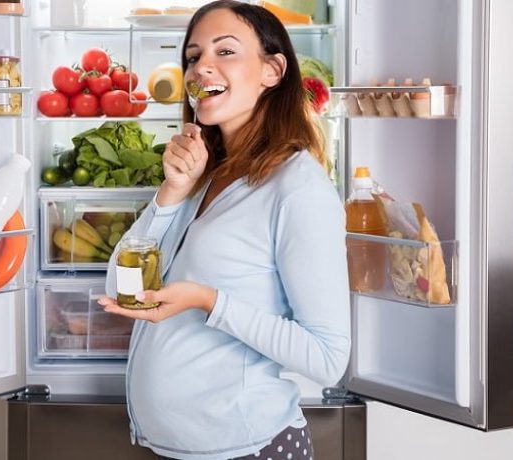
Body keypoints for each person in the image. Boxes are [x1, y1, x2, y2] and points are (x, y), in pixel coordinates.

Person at [98, 1, 351, 459]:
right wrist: (171, 193)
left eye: (225, 51)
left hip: (251, 448)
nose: (201, 68)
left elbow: (327, 358)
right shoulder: (206, 174)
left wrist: (207, 300)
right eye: (193, 57)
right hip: (178, 449)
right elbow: (121, 286)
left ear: (272, 70)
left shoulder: (298, 188)